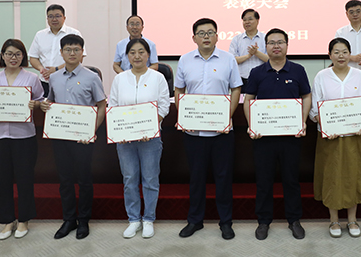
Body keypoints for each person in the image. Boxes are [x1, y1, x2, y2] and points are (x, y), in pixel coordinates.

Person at [174, 18, 243, 240]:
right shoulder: (185, 60)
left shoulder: (228, 59)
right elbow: (179, 90)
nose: (206, 36)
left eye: (210, 32)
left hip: (221, 132)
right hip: (193, 133)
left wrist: (227, 116)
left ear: (217, 36)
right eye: (201, 33)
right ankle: (195, 220)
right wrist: (184, 116)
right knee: (196, 178)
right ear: (193, 37)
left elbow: (236, 89)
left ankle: (226, 222)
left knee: (223, 178)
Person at [243, 28, 312, 240]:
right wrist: (252, 125)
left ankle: (294, 220)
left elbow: (307, 96)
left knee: (291, 180)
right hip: (264, 138)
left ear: (287, 45)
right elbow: (248, 99)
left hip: (291, 137)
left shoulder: (298, 70)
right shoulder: (257, 72)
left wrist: (302, 121)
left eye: (280, 42)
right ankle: (263, 221)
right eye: (271, 42)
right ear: (266, 47)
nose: (276, 46)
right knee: (264, 181)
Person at [0, 39, 43, 240]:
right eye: (9, 53)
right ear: (2, 56)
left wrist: (36, 105)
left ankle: (24, 220)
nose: (14, 57)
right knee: (2, 179)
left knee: (25, 179)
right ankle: (7, 221)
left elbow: (41, 100)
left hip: (24, 136)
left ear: (23, 57)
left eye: (18, 54)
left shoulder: (32, 78)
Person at [40, 34, 106, 240]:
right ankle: (69, 219)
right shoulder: (54, 78)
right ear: (61, 53)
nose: (72, 53)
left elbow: (101, 105)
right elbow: (51, 102)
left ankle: (84, 220)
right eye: (68, 49)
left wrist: (92, 131)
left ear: (82, 52)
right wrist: (44, 105)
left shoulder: (92, 77)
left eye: (76, 49)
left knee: (84, 180)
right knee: (65, 180)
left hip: (83, 139)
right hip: (60, 137)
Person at [309, 37, 361, 238]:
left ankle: (352, 220)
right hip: (330, 137)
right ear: (329, 55)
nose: (341, 56)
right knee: (333, 176)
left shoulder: (359, 75)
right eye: (336, 52)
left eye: (345, 52)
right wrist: (326, 124)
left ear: (350, 54)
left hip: (355, 136)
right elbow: (314, 108)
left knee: (354, 175)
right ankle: (334, 220)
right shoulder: (322, 76)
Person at [109, 38, 170, 239]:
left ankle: (149, 219)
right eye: (132, 52)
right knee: (130, 180)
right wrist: (120, 131)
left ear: (148, 55)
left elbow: (164, 105)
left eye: (141, 52)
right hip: (125, 140)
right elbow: (113, 105)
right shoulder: (120, 79)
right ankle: (134, 219)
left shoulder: (158, 77)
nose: (137, 56)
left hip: (150, 138)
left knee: (150, 179)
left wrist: (150, 127)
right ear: (127, 56)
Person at [28, 4, 85, 95]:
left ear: (64, 18)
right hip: (45, 81)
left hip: (67, 80)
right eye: (50, 16)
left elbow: (79, 58)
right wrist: (42, 69)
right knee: (46, 103)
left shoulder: (74, 33)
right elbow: (33, 57)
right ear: (47, 19)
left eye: (57, 16)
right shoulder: (40, 35)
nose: (54, 19)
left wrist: (57, 69)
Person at [229, 8, 268, 93]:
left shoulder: (265, 38)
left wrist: (256, 53)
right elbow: (232, 60)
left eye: (250, 19)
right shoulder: (236, 39)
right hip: (242, 80)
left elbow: (270, 60)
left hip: (262, 79)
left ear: (257, 21)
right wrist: (248, 56)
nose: (247, 22)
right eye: (244, 20)